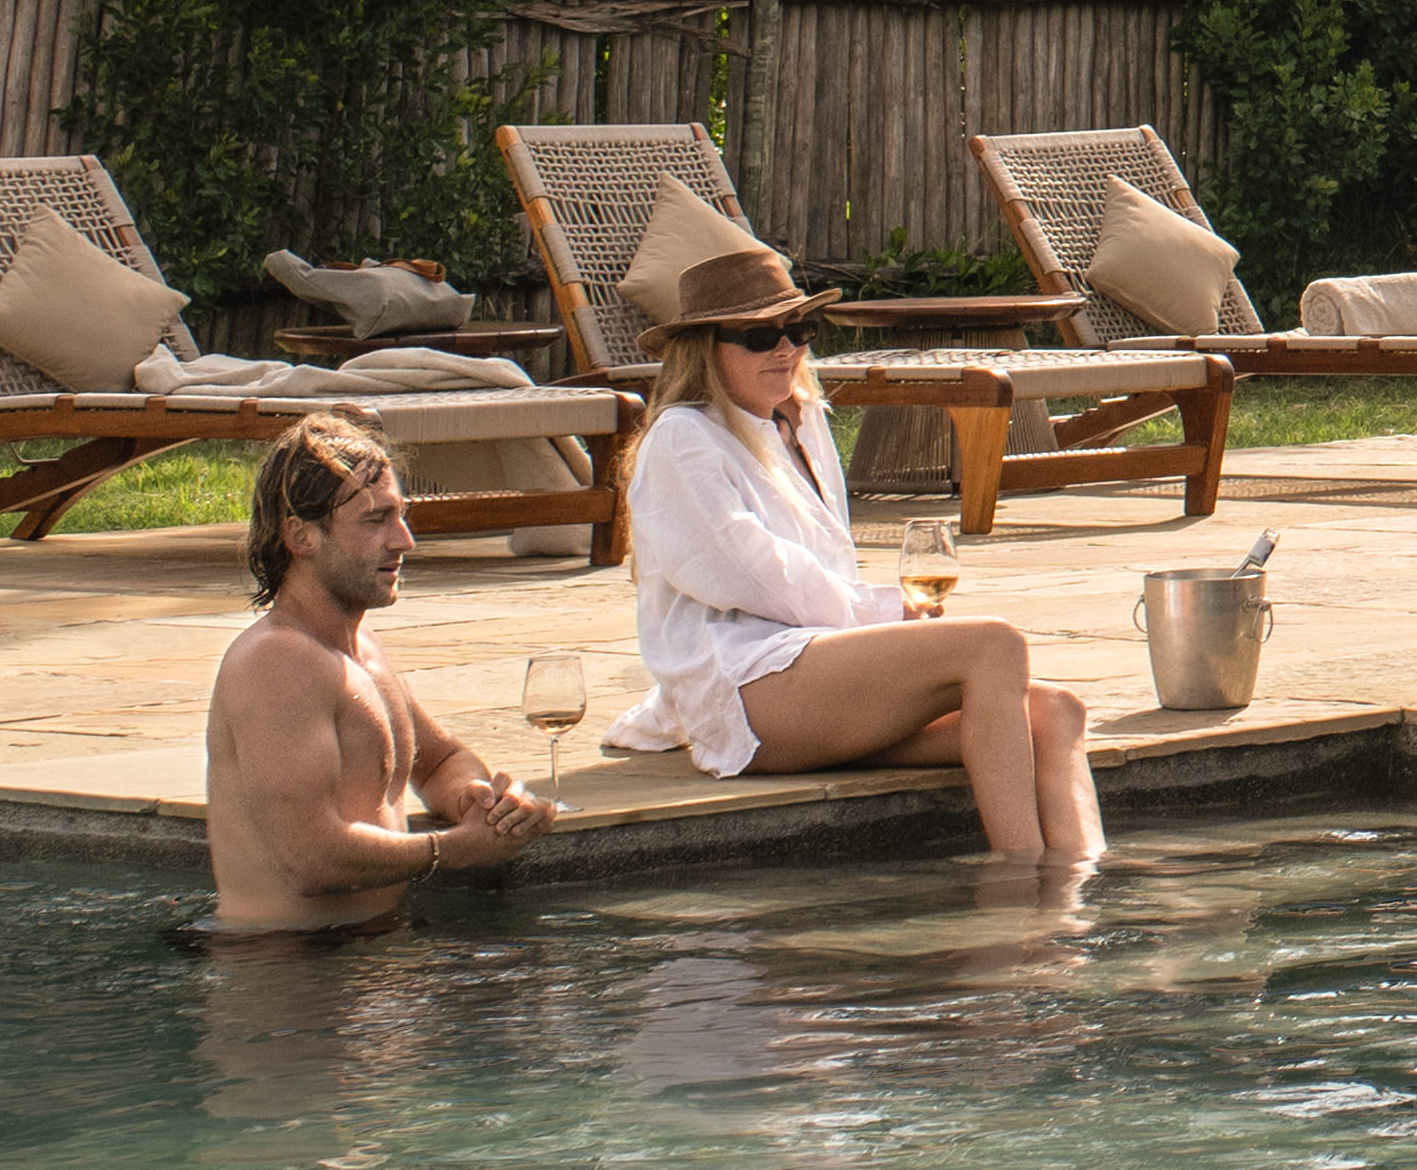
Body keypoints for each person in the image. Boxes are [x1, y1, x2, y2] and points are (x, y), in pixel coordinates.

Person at [599, 240, 1108, 861]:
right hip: (745, 687)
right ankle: (1019, 892)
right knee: (993, 644)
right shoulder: (684, 438)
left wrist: (883, 626)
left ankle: (1076, 901)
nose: (785, 348)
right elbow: (755, 577)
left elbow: (823, 567)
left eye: (797, 328)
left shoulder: (801, 421)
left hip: (813, 674)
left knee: (1058, 711)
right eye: (758, 337)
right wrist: (884, 613)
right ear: (705, 349)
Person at [200, 411, 560, 930]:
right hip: (288, 972)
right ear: (301, 536)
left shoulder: (358, 648)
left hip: (369, 955)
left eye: (401, 516)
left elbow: (439, 761)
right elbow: (310, 860)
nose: (404, 540)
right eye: (376, 521)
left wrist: (479, 804)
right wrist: (453, 849)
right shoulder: (276, 662)